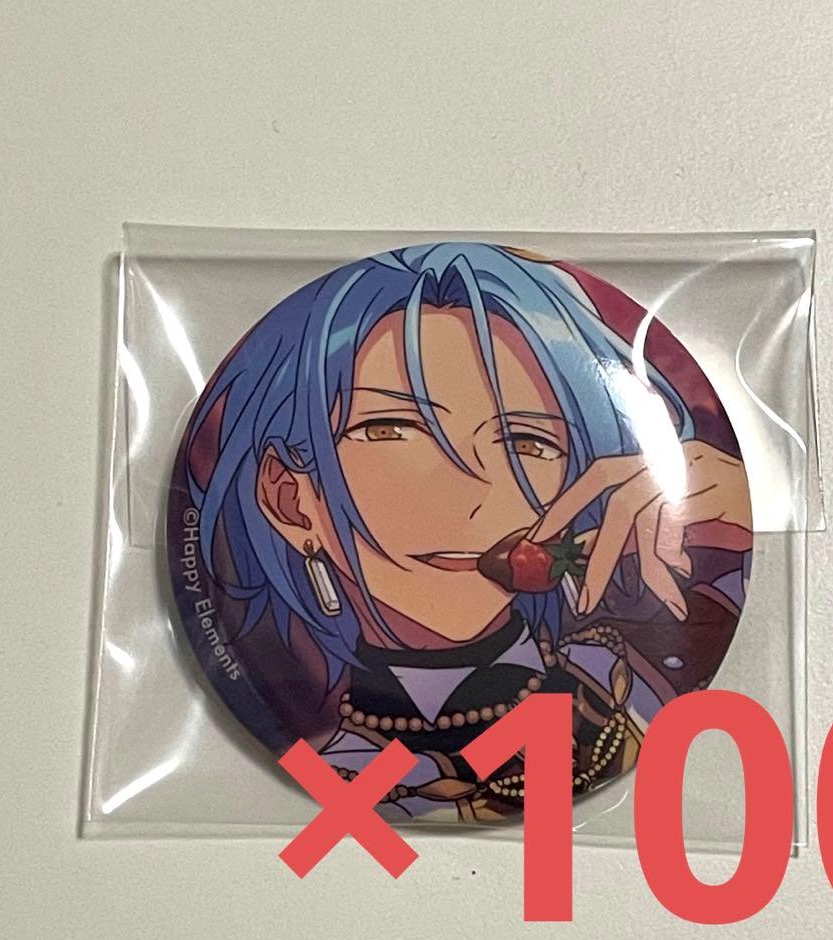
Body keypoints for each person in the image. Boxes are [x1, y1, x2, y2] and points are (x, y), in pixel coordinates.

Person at [180, 243, 751, 822]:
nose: (474, 492)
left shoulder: (641, 673)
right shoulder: (316, 753)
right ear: (290, 498)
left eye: (528, 441)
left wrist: (723, 502)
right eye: (392, 430)